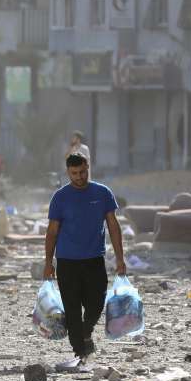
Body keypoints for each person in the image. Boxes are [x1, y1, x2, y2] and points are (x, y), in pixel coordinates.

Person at [43, 153, 126, 366]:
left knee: (96, 304)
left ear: (88, 167)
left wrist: (120, 259)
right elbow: (52, 231)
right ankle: (80, 350)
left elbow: (113, 226)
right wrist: (48, 262)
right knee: (71, 309)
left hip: (94, 259)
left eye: (82, 172)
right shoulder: (60, 197)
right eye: (74, 174)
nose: (79, 177)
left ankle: (85, 331)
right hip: (67, 262)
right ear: (68, 172)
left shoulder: (102, 193)